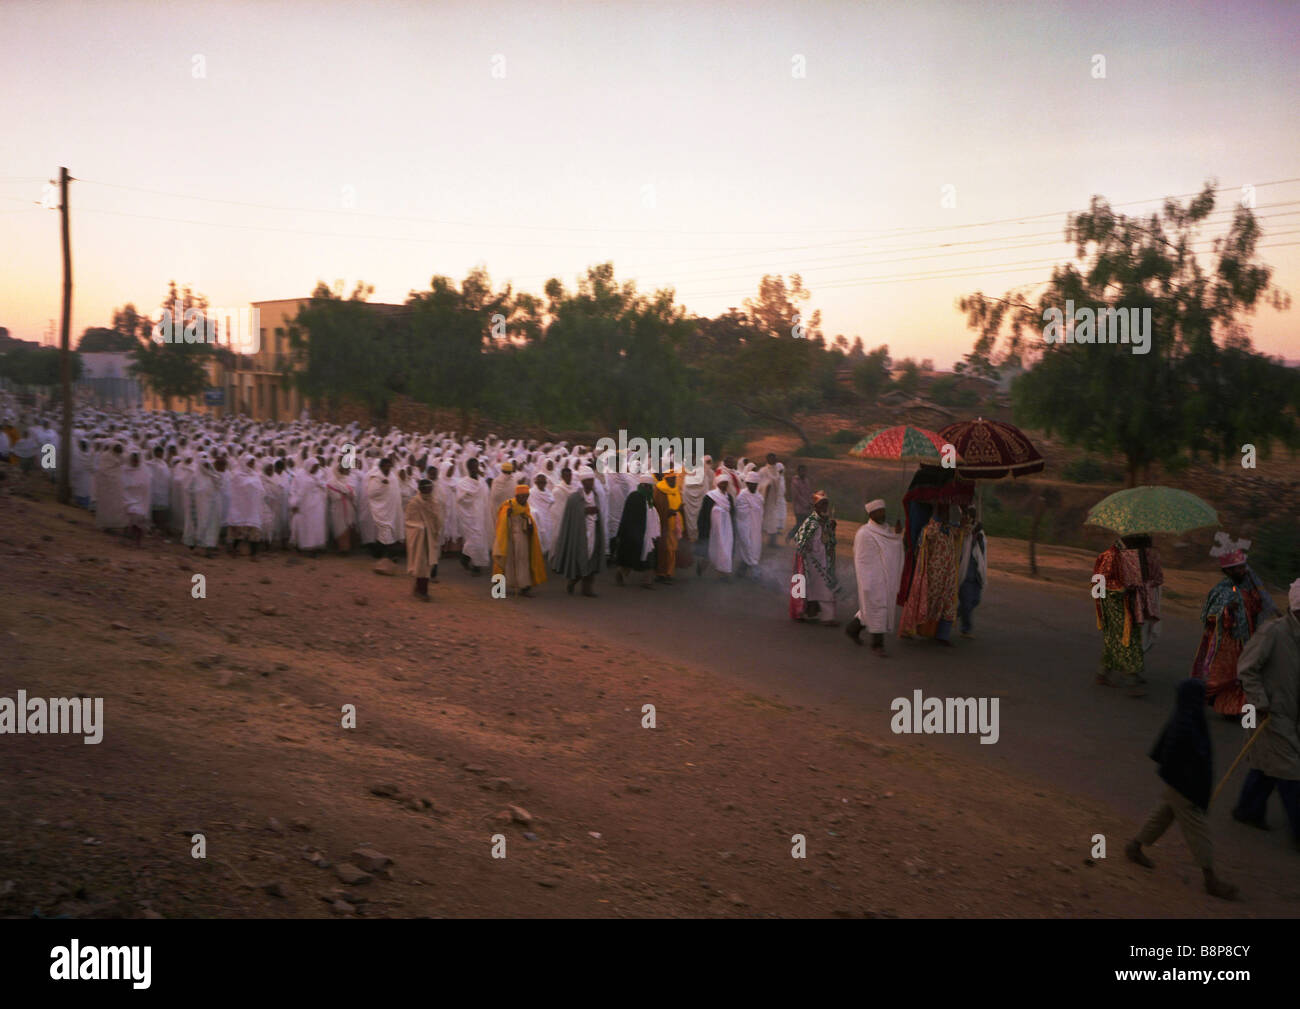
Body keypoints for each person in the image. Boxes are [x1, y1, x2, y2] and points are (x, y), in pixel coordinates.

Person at [1126, 679, 1238, 900]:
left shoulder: (1185, 717)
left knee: (1164, 813)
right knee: (1198, 830)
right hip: (1184, 785)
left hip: (1179, 782)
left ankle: (1135, 846)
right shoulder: (1187, 723)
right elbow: (1182, 754)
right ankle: (1210, 878)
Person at [1230, 577, 1300, 849]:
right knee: (1292, 771)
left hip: (1290, 716)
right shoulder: (1274, 632)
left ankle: (1247, 811)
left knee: (1267, 766)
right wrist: (1260, 701)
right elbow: (1246, 668)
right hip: (1269, 714)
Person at [1192, 544, 1278, 716]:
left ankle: (1231, 709)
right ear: (1228, 571)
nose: (1243, 571)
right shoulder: (1221, 590)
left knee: (1243, 677)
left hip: (1247, 640)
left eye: (1243, 567)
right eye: (1238, 568)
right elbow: (1209, 616)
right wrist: (1227, 610)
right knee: (1222, 678)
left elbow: (1256, 609)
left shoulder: (1247, 587)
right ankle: (1192, 698)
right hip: (1227, 643)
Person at [899, 504, 966, 645]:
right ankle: (912, 629)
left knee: (947, 603)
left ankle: (942, 635)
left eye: (947, 512)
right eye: (944, 512)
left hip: (948, 574)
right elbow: (930, 534)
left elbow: (962, 530)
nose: (947, 515)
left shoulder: (950, 530)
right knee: (926, 602)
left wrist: (963, 516)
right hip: (933, 574)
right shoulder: (930, 529)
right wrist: (936, 512)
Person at [1091, 536, 1151, 695]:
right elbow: (1099, 582)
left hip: (1123, 602)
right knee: (1126, 638)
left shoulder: (1124, 554)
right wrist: (1123, 589)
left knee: (1115, 638)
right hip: (1113, 603)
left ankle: (1102, 674)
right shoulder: (1111, 556)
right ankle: (1131, 680)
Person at [847, 499, 904, 655]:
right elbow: (861, 560)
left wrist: (898, 536)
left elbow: (892, 550)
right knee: (877, 609)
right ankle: (877, 645)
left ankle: (852, 629)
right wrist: (866, 582)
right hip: (872, 579)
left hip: (884, 578)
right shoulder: (864, 533)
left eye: (883, 511)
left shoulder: (885, 531)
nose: (882, 514)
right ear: (871, 514)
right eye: (879, 511)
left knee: (870, 610)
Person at [550, 466, 604, 596]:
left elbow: (599, 512)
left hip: (593, 531)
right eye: (588, 481)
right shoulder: (574, 498)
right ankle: (573, 581)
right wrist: (584, 512)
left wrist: (596, 514)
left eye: (592, 480)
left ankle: (587, 588)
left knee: (592, 557)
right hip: (579, 533)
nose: (590, 483)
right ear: (583, 482)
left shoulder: (595, 496)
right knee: (581, 557)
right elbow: (571, 517)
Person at [791, 491, 839, 625]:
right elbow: (799, 541)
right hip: (811, 562)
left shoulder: (828, 522)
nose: (825, 507)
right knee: (810, 588)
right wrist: (806, 549)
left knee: (824, 588)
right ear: (815, 506)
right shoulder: (810, 522)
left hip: (824, 561)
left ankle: (827, 617)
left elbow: (831, 543)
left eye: (826, 504)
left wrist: (832, 530)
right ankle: (809, 613)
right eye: (822, 504)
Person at [492, 483, 548, 597]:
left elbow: (529, 520)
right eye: (522, 496)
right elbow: (501, 521)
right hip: (509, 538)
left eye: (526, 496)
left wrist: (530, 525)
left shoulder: (526, 507)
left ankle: (524, 586)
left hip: (523, 539)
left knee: (523, 562)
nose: (524, 499)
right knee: (506, 562)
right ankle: (500, 586)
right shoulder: (509, 505)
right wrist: (506, 516)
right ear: (517, 496)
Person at [613, 473, 660, 588]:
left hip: (648, 534)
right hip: (634, 534)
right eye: (648, 486)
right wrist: (632, 534)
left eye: (651, 487)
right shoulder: (635, 497)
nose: (650, 489)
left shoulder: (649, 499)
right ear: (643, 486)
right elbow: (629, 517)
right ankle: (620, 574)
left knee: (649, 557)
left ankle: (647, 581)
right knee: (630, 558)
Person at [404, 478, 444, 601]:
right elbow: (410, 521)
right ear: (421, 489)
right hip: (421, 538)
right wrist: (421, 527)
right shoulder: (414, 503)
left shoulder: (434, 502)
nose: (429, 491)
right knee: (421, 563)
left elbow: (438, 519)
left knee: (428, 564)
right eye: (426, 488)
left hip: (431, 537)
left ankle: (418, 588)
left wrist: (435, 528)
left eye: (430, 488)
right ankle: (422, 591)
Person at [366, 457, 404, 573]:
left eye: (389, 466)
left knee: (389, 531)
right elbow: (371, 494)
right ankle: (387, 558)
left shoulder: (393, 476)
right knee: (385, 530)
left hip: (393, 510)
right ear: (381, 467)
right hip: (382, 510)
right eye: (386, 466)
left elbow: (396, 492)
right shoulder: (376, 478)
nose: (388, 468)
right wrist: (382, 485)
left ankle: (379, 553)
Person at [455, 458, 492, 575]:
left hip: (481, 515)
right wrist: (470, 495)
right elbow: (460, 499)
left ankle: (466, 559)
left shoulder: (482, 482)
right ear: (469, 468)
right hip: (469, 516)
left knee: (478, 540)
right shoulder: (463, 483)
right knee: (475, 540)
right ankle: (476, 565)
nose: (475, 469)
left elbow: (486, 496)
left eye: (477, 466)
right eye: (473, 467)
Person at [956, 505, 987, 639]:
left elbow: (982, 549)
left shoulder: (979, 531)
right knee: (967, 602)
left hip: (976, 572)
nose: (972, 517)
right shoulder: (962, 529)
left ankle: (952, 615)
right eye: (970, 515)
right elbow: (964, 543)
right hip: (965, 572)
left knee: (976, 600)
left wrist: (978, 536)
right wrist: (974, 535)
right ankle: (966, 629)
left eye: (973, 515)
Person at [695, 473, 733, 578]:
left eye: (726, 484)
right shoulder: (710, 496)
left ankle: (723, 574)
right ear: (717, 484)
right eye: (722, 484)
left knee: (725, 549)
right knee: (711, 551)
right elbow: (703, 514)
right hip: (712, 530)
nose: (724, 486)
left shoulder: (728, 497)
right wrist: (702, 529)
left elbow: (732, 512)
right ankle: (702, 567)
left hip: (726, 530)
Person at [652, 468, 685, 584]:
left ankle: (669, 573)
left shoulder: (675, 489)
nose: (674, 481)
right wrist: (667, 512)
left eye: (675, 478)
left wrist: (679, 509)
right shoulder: (660, 489)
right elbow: (658, 507)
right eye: (672, 479)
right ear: (666, 479)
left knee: (672, 549)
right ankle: (661, 573)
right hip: (663, 525)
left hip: (674, 525)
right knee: (664, 549)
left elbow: (678, 503)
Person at [734, 471, 764, 578]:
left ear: (757, 484)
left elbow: (760, 512)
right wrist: (752, 509)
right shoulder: (742, 496)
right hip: (744, 526)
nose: (752, 485)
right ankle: (754, 568)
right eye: (750, 483)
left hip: (756, 527)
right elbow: (740, 512)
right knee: (746, 545)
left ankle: (742, 570)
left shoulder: (759, 497)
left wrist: (754, 510)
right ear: (746, 484)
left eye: (754, 484)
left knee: (754, 546)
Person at [758, 453, 785, 546]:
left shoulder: (777, 470)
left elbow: (780, 484)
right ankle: (759, 541)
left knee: (775, 520)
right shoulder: (763, 471)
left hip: (775, 500)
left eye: (775, 458)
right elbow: (759, 485)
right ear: (767, 459)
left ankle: (772, 542)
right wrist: (766, 485)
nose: (773, 460)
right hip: (766, 500)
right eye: (771, 458)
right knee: (763, 520)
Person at [787, 464, 811, 541]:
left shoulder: (806, 481)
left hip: (806, 507)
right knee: (800, 524)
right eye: (801, 471)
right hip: (799, 507)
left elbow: (809, 493)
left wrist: (810, 502)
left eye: (804, 471)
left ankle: (797, 538)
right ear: (798, 472)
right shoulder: (795, 482)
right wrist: (805, 504)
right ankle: (790, 536)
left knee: (804, 524)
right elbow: (796, 496)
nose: (803, 473)